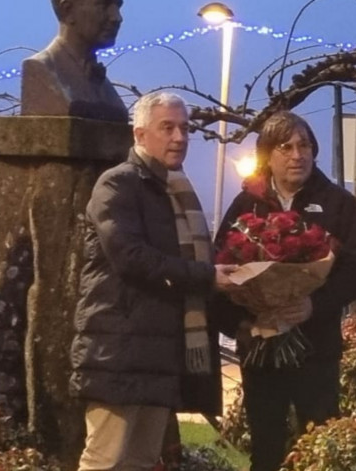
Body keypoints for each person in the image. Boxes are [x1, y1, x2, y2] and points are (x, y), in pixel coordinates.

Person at [69, 91, 235, 471]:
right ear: (139, 134)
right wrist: (206, 276)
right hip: (118, 349)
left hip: (160, 350)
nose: (179, 137)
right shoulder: (118, 184)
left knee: (142, 461)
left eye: (185, 128)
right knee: (104, 459)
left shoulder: (175, 190)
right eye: (168, 127)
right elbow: (131, 258)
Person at [215, 111, 356, 471]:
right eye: (285, 147)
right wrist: (242, 323)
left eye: (304, 146)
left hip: (316, 350)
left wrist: (313, 304)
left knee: (318, 448)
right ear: (267, 155)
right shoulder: (246, 204)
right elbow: (221, 267)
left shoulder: (338, 204)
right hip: (261, 352)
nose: (297, 155)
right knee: (266, 450)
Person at [21, 0, 128, 122]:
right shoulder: (42, 68)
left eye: (118, 6)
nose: (117, 18)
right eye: (103, 5)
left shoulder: (103, 86)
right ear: (68, 10)